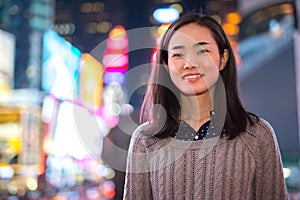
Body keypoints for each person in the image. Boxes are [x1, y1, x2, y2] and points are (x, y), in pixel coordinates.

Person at [123, 12, 288, 200]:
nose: (189, 63)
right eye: (178, 54)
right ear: (166, 65)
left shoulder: (257, 135)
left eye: (202, 51)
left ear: (223, 59)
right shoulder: (146, 140)